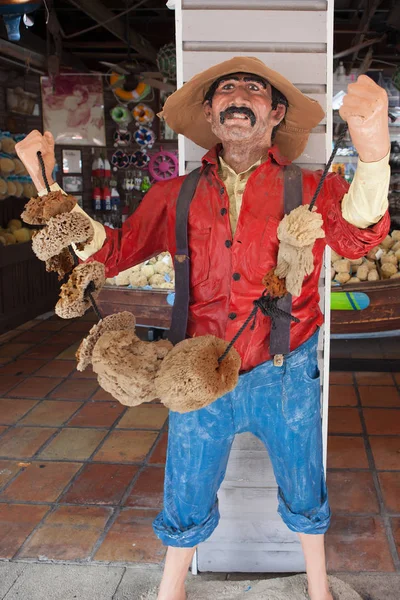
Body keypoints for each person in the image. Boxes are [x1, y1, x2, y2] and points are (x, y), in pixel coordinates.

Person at [16, 57, 391, 600]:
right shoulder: (175, 194)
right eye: (226, 90)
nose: (239, 95)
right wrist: (47, 182)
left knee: (305, 483)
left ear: (275, 113)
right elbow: (117, 250)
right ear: (212, 117)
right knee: (187, 485)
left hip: (286, 368)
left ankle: (319, 589)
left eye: (254, 89)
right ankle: (172, 589)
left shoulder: (312, 186)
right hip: (197, 373)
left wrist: (374, 151)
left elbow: (358, 237)